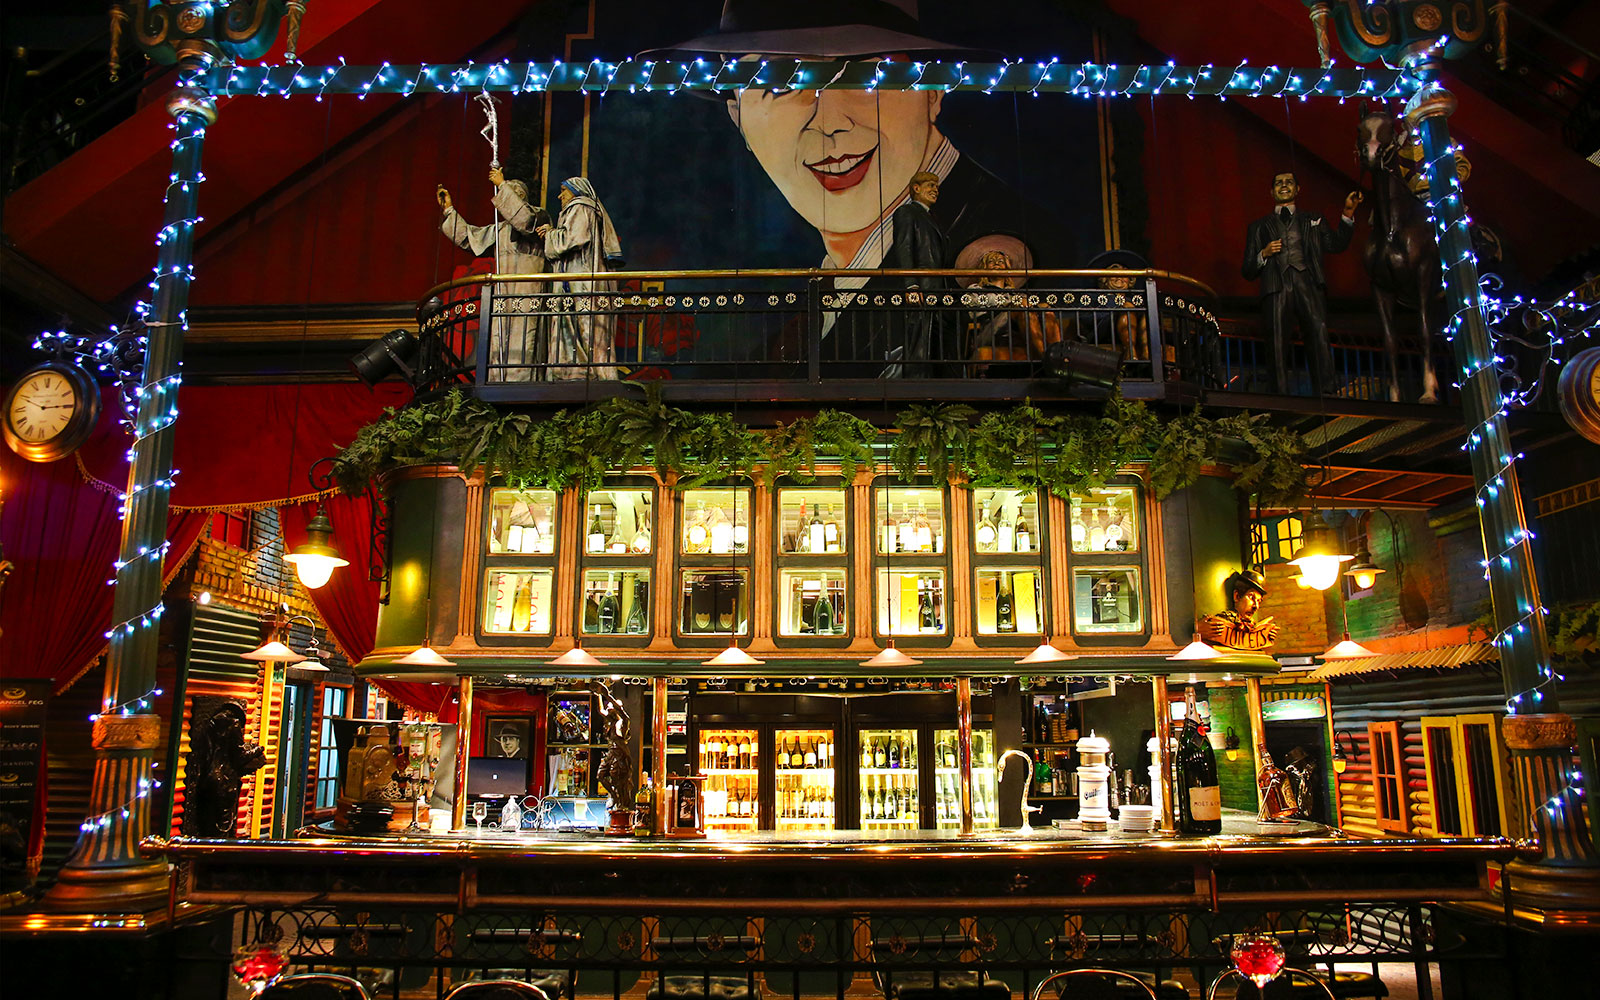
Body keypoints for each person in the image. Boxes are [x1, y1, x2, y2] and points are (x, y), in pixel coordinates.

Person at [665, 2, 1066, 372]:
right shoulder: (812, 309)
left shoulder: (1006, 238)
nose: (829, 121)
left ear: (933, 91)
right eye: (783, 84)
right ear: (738, 116)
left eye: (868, 77)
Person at [1241, 172, 1362, 394]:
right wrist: (1263, 254)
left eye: (1289, 182)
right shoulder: (1258, 227)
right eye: (1278, 183)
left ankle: (1326, 392)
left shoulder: (1313, 220)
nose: (1284, 186)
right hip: (1276, 287)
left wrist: (1347, 214)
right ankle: (1279, 394)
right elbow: (1247, 270)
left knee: (1318, 332)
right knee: (1276, 340)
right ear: (1271, 192)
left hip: (1308, 282)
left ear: (1298, 189)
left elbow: (1336, 244)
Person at [436, 169, 551, 382]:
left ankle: (522, 382)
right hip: (503, 286)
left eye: (512, 192)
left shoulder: (538, 216)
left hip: (528, 285)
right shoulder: (500, 230)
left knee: (524, 336)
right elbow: (470, 238)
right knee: (500, 336)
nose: (506, 195)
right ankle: (499, 379)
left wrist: (502, 184)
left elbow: (524, 222)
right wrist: (449, 211)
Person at [535, 177, 623, 381]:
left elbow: (573, 238)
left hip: (582, 278)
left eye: (563, 191)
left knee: (587, 328)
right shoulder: (582, 209)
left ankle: (593, 374)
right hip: (576, 279)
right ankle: (576, 372)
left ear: (576, 191)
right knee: (578, 327)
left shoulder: (581, 207)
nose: (560, 196)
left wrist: (550, 234)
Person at [887, 171, 952, 376]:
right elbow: (904, 248)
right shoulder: (907, 212)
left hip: (937, 289)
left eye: (937, 186)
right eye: (931, 185)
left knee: (935, 342)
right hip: (922, 288)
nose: (935, 190)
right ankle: (916, 389)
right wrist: (911, 285)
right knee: (919, 341)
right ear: (916, 188)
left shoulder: (931, 217)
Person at [1198, 568, 1279, 652]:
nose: (1256, 606)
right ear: (1237, 596)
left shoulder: (1252, 627)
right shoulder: (1223, 621)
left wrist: (1264, 636)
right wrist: (1197, 630)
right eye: (1251, 598)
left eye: (1259, 601)